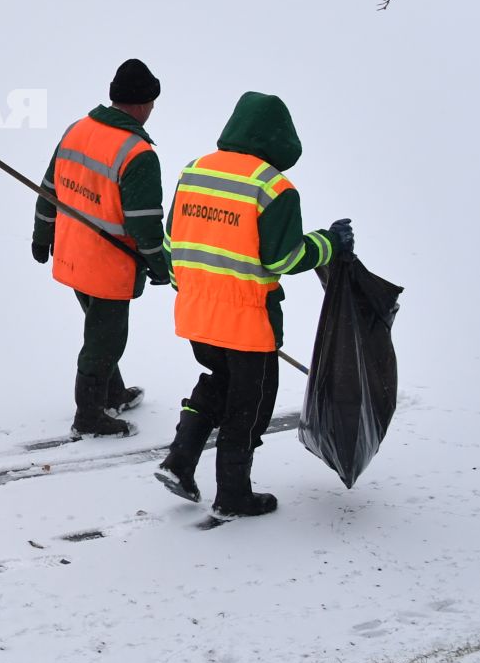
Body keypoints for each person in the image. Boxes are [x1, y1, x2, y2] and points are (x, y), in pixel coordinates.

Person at [154, 92, 354, 517]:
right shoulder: (273, 186)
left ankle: (180, 460)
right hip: (248, 324)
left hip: (196, 313)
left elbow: (172, 242)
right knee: (250, 406)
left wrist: (187, 288)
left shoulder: (194, 170)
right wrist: (329, 244)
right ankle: (233, 494)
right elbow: (284, 258)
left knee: (217, 382)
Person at [32, 59, 173, 439]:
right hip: (108, 264)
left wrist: (42, 235)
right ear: (143, 104)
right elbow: (145, 224)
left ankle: (111, 393)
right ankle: (90, 416)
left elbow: (49, 189)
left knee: (100, 329)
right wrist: (161, 265)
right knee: (105, 339)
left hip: (72, 252)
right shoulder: (137, 153)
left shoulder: (78, 129)